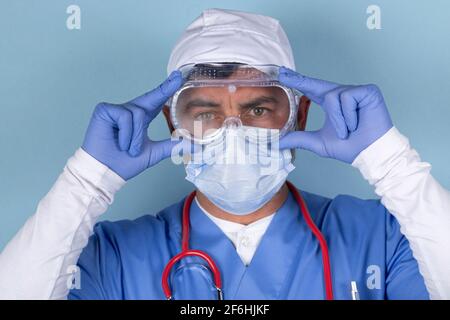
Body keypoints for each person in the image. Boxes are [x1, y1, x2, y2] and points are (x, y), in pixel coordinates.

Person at [0, 8, 449, 300]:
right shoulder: (114, 257)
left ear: (299, 114)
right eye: (206, 113)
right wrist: (87, 180)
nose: (233, 134)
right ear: (174, 124)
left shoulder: (383, 236)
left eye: (257, 108)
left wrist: (390, 162)